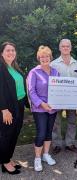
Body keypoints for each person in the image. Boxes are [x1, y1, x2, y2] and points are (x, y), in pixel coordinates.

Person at [27, 46, 59, 172]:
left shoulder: (56, 72)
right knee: (41, 133)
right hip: (39, 109)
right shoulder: (34, 72)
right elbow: (31, 91)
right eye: (42, 56)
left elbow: (61, 89)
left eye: (47, 56)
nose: (45, 58)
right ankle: (37, 158)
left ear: (50, 57)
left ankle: (46, 155)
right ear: (39, 58)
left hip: (52, 108)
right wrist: (41, 104)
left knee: (48, 132)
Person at [0, 42, 29, 175]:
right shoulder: (1, 68)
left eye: (13, 50)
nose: (11, 52)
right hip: (8, 107)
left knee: (15, 133)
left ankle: (8, 158)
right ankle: (5, 162)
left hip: (19, 105)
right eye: (8, 50)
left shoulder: (15, 67)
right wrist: (4, 109)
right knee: (7, 135)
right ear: (2, 53)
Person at [51, 39, 77, 154]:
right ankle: (56, 144)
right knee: (56, 122)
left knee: (72, 121)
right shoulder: (53, 64)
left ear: (71, 48)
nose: (65, 48)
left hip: (72, 99)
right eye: (63, 46)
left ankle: (70, 143)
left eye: (67, 46)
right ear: (59, 48)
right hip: (57, 99)